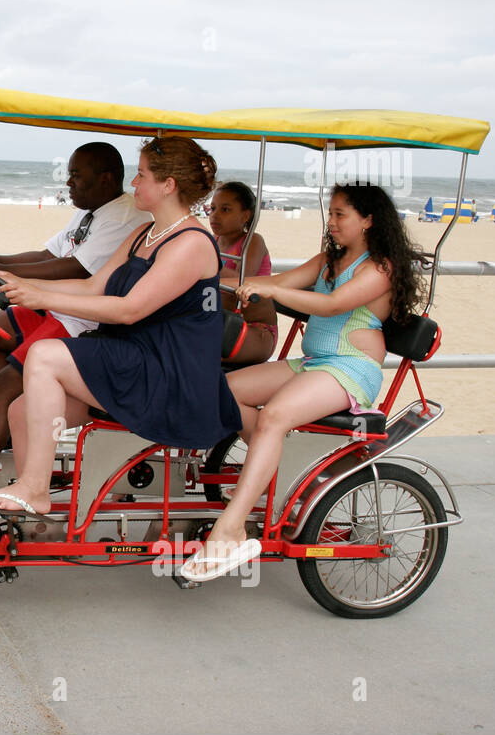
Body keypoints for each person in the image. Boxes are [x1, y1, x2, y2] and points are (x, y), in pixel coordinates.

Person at [0, 136, 241, 517]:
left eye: (142, 175)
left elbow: (129, 310)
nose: (133, 184)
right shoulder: (143, 234)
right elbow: (92, 286)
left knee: (45, 356)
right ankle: (31, 526)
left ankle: (35, 488)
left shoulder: (191, 243)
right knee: (20, 410)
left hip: (167, 379)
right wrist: (20, 283)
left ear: (168, 185)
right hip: (132, 361)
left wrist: (41, 298)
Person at [179, 182, 426, 581]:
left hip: (350, 367)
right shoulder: (329, 259)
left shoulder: (379, 268)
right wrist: (249, 284)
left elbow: (332, 304)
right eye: (331, 214)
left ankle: (231, 530)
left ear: (368, 220)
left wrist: (269, 289)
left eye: (340, 214)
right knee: (218, 390)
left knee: (275, 415)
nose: (332, 222)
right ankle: (273, 457)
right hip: (312, 363)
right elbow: (284, 281)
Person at [0, 143, 150, 501]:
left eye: (76, 175)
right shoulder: (91, 212)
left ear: (105, 179)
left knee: (4, 386)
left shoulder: (122, 218)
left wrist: (3, 272)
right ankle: (10, 422)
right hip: (59, 309)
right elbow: (47, 254)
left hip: (83, 320)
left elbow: (75, 269)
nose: (68, 182)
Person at [209, 181, 277, 365]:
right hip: (219, 322)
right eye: (213, 208)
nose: (214, 215)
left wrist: (207, 263)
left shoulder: (252, 241)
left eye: (225, 210)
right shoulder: (213, 241)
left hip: (254, 331)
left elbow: (243, 280)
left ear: (245, 215)